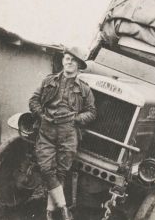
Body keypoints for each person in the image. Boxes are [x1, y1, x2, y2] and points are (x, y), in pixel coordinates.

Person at [29, 47, 96, 220]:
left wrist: (76, 119)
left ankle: (49, 212)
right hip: (46, 129)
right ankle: (64, 208)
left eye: (73, 60)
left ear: (79, 65)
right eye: (67, 58)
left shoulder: (84, 89)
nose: (69, 62)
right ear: (62, 61)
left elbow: (91, 112)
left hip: (69, 132)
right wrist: (41, 115)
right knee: (45, 168)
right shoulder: (48, 81)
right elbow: (34, 100)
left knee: (61, 171)